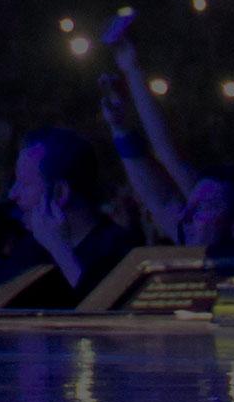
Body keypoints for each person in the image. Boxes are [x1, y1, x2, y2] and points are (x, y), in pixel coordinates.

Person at [9, 126, 139, 303]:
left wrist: (61, 251)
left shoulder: (119, 252)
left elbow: (105, 315)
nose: (13, 194)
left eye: (24, 184)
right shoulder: (28, 253)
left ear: (60, 192)